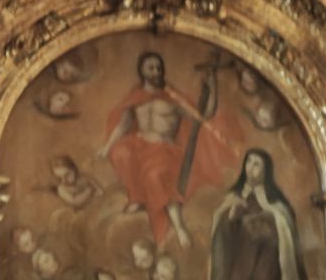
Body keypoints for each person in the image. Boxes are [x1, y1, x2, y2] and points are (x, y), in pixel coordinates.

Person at [100, 51, 238, 248]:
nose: (156, 72)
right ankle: (137, 197)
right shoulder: (136, 98)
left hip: (165, 150)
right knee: (119, 152)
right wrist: (107, 147)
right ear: (142, 71)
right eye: (151, 68)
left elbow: (205, 115)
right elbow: (124, 125)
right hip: (140, 146)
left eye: (159, 68)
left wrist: (212, 85)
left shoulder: (174, 99)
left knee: (154, 176)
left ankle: (178, 226)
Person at [204, 148, 319, 280]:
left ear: (266, 171)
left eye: (256, 164)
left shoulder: (273, 199)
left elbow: (284, 225)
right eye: (248, 162)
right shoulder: (235, 195)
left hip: (266, 261)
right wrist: (231, 216)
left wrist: (263, 220)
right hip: (240, 263)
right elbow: (223, 231)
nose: (250, 168)